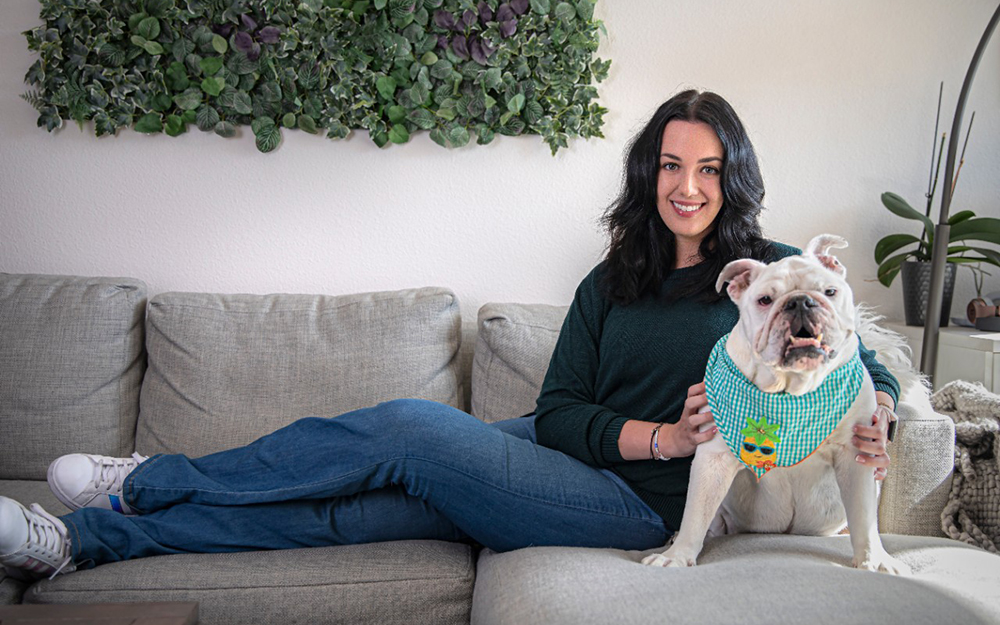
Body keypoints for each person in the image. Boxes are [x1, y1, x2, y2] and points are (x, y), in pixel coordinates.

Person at [0, 90, 897, 579]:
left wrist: (880, 411)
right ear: (648, 174)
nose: (688, 187)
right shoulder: (611, 279)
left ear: (731, 176)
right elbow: (558, 413)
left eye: (707, 168)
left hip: (646, 502)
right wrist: (657, 428)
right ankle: (90, 538)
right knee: (360, 508)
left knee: (407, 426)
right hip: (578, 454)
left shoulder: (775, 277)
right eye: (670, 165)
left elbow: (864, 355)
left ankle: (149, 481)